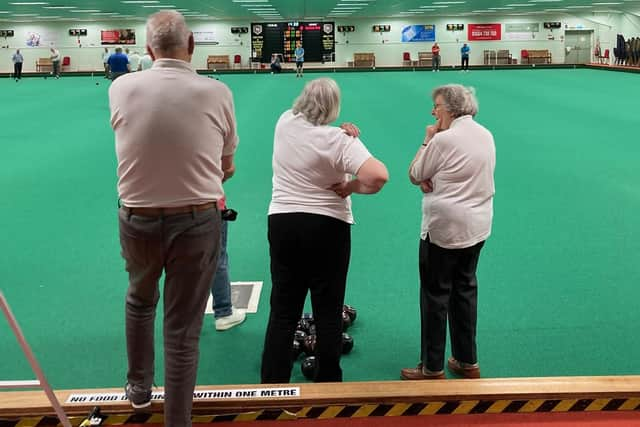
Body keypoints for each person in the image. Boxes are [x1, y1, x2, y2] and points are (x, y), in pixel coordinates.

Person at [109, 10, 238, 427]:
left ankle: (139, 391)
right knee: (182, 330)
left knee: (139, 298)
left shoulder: (121, 87)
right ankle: (177, 420)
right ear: (192, 47)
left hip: (137, 219)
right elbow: (226, 165)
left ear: (147, 50)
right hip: (197, 221)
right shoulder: (217, 92)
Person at [261, 78, 388, 383]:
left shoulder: (284, 122)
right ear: (333, 106)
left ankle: (271, 384)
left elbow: (304, 118)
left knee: (283, 311)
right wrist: (350, 186)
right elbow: (378, 176)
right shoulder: (340, 140)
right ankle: (328, 383)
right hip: (327, 227)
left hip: (283, 224)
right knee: (328, 312)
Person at [401, 84, 495, 381]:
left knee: (435, 295)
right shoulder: (486, 135)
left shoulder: (443, 140)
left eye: (437, 107)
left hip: (444, 228)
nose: (433, 112)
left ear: (451, 109)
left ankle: (432, 367)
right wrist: (434, 176)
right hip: (477, 227)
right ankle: (468, 361)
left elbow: (416, 173)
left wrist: (429, 138)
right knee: (465, 289)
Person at [210, 197, 246, 331]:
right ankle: (224, 312)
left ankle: (186, 316)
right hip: (209, 208)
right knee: (217, 259)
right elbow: (226, 174)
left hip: (175, 212)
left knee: (184, 261)